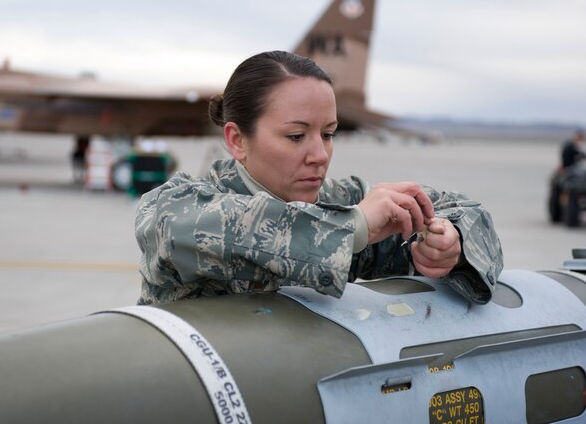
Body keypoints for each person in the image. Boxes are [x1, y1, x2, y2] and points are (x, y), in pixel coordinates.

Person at [135, 51, 503, 305]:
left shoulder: (339, 202)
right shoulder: (176, 208)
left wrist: (449, 242)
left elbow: (469, 211)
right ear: (237, 140)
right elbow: (208, 229)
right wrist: (357, 226)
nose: (320, 155)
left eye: (328, 134)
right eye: (296, 137)